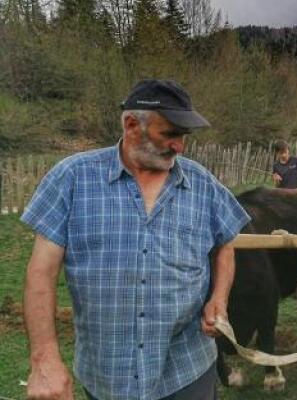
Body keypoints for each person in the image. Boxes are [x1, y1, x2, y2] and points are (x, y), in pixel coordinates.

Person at [21, 79, 250, 400]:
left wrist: (219, 298)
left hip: (186, 369)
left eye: (183, 136)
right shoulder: (71, 178)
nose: (179, 146)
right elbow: (40, 273)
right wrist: (44, 361)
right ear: (131, 125)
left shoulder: (203, 184)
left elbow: (224, 244)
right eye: (169, 134)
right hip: (107, 373)